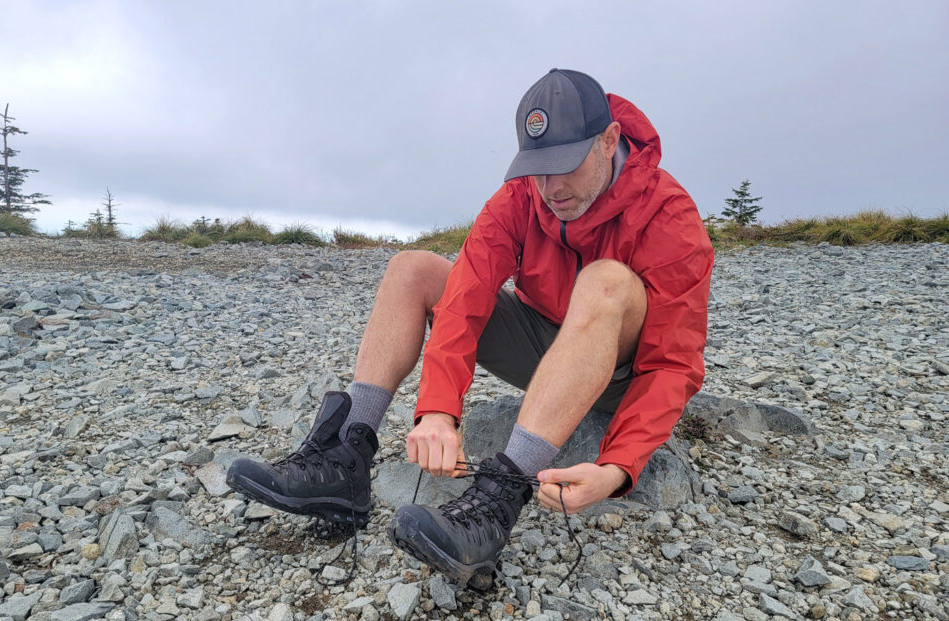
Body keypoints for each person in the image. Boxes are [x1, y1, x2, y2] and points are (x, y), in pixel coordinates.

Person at [227, 68, 714, 590]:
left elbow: (672, 364)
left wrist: (618, 467)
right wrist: (438, 411)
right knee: (414, 269)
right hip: (543, 348)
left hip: (616, 372)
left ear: (609, 140)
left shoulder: (669, 215)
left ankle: (497, 503)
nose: (551, 188)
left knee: (607, 282)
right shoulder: (521, 197)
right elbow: (463, 300)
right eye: (538, 168)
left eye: (565, 166)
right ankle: (346, 455)